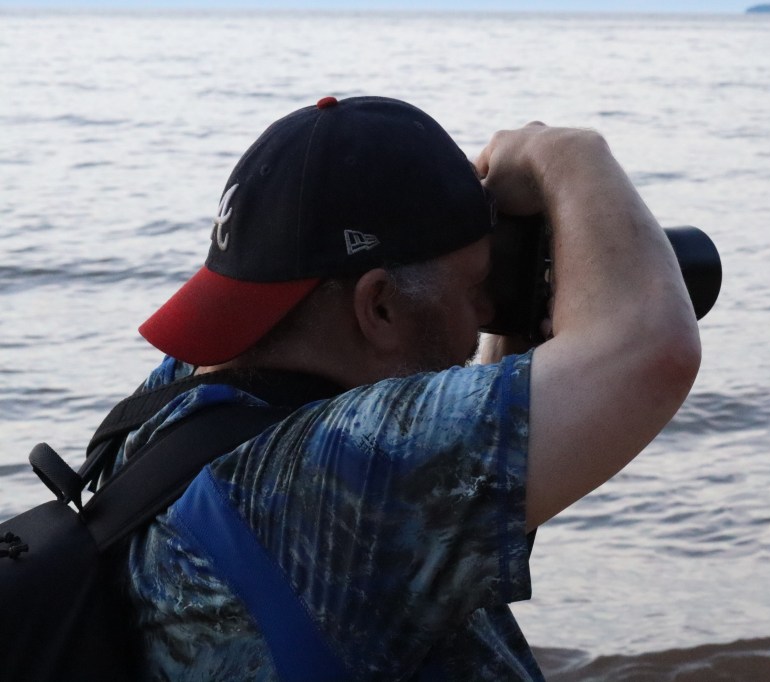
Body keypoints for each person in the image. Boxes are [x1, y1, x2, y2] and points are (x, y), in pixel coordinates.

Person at [117, 95, 701, 680]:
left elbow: (453, 485)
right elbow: (651, 345)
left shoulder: (171, 408)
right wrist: (567, 155)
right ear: (379, 307)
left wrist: (522, 331)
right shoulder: (318, 485)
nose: (486, 312)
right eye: (474, 287)